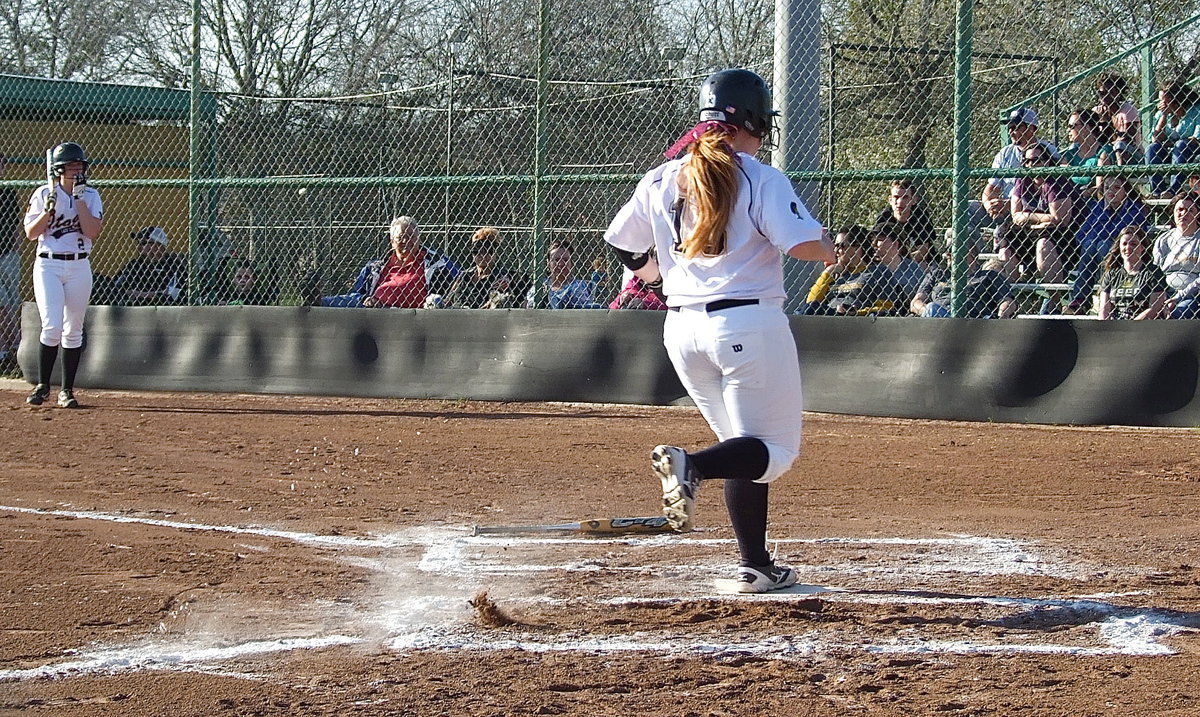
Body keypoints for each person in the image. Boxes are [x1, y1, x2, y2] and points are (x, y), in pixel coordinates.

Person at [604, 68, 834, 593]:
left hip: (682, 331)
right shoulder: (759, 175)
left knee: (743, 443)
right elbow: (797, 243)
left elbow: (622, 243)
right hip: (748, 324)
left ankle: (755, 565)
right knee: (774, 453)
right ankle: (693, 466)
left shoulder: (663, 176)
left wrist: (658, 279)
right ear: (751, 122)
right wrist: (829, 249)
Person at [23, 142, 103, 408]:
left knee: (73, 329)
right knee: (52, 325)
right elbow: (31, 234)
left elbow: (92, 231)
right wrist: (48, 210)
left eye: (79, 166)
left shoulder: (90, 195)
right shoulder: (43, 193)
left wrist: (78, 200)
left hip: (79, 266)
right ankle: (43, 385)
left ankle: (66, 391)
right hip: (48, 265)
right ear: (58, 170)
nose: (77, 171)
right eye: (71, 167)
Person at [996, 143, 1085, 291]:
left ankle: (1054, 303)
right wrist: (1041, 219)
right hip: (1033, 230)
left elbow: (1059, 219)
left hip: (1065, 235)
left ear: (1047, 161)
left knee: (1043, 245)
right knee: (1006, 240)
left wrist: (1029, 216)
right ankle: (1010, 297)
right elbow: (1015, 215)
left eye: (1036, 160)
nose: (1031, 164)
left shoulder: (1056, 181)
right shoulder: (1022, 179)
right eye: (1027, 161)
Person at [1065, 176, 1149, 314]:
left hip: (1123, 252)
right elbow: (1080, 234)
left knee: (1102, 244)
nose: (1111, 191)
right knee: (1091, 244)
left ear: (1126, 191)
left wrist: (1098, 232)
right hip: (1094, 251)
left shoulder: (1135, 209)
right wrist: (1104, 214)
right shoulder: (1098, 206)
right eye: (1107, 188)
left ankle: (1108, 297)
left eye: (1116, 188)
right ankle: (1079, 301)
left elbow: (1119, 234)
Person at [320, 217, 444, 308]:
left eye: (411, 236)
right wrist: (367, 300)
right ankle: (318, 301)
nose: (406, 240)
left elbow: (458, 279)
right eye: (400, 237)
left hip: (418, 314)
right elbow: (358, 294)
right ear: (392, 241)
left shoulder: (436, 263)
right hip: (380, 313)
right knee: (352, 301)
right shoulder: (375, 267)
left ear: (419, 238)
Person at [979, 107, 1060, 232]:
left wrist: (1008, 204)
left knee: (1001, 231)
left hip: (1031, 208)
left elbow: (1049, 190)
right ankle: (965, 251)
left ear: (1032, 128)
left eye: (1017, 127)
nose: (1011, 131)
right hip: (1003, 209)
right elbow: (990, 190)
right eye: (1010, 127)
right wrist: (990, 206)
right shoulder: (1005, 153)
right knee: (968, 209)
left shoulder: (1048, 150)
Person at [910, 229, 1017, 319]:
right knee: (932, 308)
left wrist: (1001, 315)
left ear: (970, 251)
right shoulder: (937, 274)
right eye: (946, 249)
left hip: (973, 322)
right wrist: (928, 311)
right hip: (939, 320)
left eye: (951, 249)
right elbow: (916, 302)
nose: (946, 254)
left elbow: (1007, 301)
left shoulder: (989, 276)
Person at [802, 225, 904, 316]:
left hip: (854, 320)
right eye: (835, 246)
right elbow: (811, 301)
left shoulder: (877, 272)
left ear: (857, 248)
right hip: (829, 316)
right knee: (810, 308)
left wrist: (856, 313)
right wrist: (828, 273)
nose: (836, 251)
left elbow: (886, 308)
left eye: (841, 246)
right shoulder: (836, 274)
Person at [445, 226, 529, 308]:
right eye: (476, 250)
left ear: (495, 252)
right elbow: (448, 300)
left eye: (487, 250)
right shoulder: (464, 276)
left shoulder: (507, 278)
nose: (482, 255)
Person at [1097, 225, 1168, 320]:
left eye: (1133, 244)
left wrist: (1131, 327)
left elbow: (1154, 309)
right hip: (1116, 327)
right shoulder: (1111, 274)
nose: (1128, 247)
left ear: (1142, 247)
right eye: (1124, 244)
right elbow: (1104, 310)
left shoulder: (1153, 272)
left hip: (1143, 327)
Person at [1147, 81, 1200, 198]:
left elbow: (1196, 139)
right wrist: (1164, 116)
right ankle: (1156, 191)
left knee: (1181, 144)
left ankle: (1173, 190)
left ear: (1176, 100)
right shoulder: (1161, 114)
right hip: (1170, 153)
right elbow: (1155, 139)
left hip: (1191, 153)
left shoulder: (1196, 111)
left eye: (1164, 101)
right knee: (1152, 148)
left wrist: (1170, 143)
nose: (1160, 104)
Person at [1151, 193, 1200, 319]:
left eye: (1190, 210)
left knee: (1181, 311)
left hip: (1192, 295)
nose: (1184, 213)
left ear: (1197, 214)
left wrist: (1178, 297)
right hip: (1163, 293)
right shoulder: (1163, 240)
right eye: (1180, 209)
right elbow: (1155, 273)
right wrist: (1161, 299)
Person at [111, 226, 188, 305]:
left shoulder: (174, 266)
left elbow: (174, 294)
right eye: (139, 243)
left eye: (144, 243)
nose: (140, 246)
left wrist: (143, 294)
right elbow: (116, 288)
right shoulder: (134, 265)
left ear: (158, 245)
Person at [526, 240, 601, 308]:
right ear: (548, 262)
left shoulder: (578, 286)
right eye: (556, 259)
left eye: (565, 260)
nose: (561, 264)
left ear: (571, 263)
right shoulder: (540, 285)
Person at [874, 179, 937, 250]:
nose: (900, 202)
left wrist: (900, 260)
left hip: (916, 260)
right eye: (896, 197)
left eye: (905, 197)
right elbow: (875, 245)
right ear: (890, 200)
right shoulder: (883, 217)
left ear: (914, 200)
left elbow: (922, 251)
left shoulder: (921, 217)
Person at [0, 156, 21, 366]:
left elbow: (15, 227)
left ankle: (5, 352)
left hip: (8, 255)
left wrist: (16, 253)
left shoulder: (8, 193)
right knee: (1, 304)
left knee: (10, 303)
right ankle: (17, 344)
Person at [870, 224, 924, 300]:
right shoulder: (868, 269)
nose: (873, 244)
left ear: (896, 244)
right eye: (872, 239)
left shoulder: (914, 271)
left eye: (880, 239)